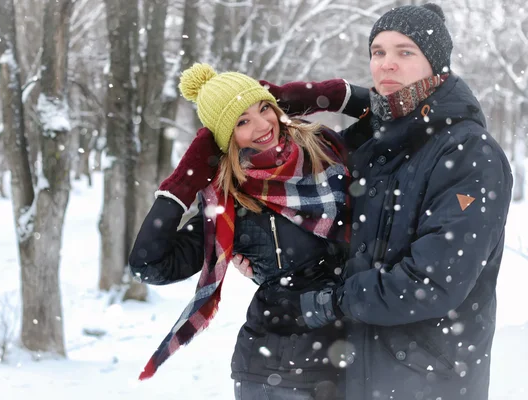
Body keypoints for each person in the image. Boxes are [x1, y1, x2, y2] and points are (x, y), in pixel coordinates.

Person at [242, 3, 513, 400]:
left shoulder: (469, 153)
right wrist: (271, 258)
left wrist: (331, 302)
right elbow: (340, 248)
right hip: (355, 374)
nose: (387, 64)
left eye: (405, 52)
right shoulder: (368, 145)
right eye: (378, 52)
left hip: (427, 380)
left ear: (435, 66)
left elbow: (434, 280)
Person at [129, 63, 366, 399]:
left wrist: (291, 95)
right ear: (225, 139)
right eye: (242, 122)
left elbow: (384, 113)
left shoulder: (328, 151)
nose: (261, 125)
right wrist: (183, 182)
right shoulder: (232, 203)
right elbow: (149, 265)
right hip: (280, 374)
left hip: (359, 359)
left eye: (264, 109)